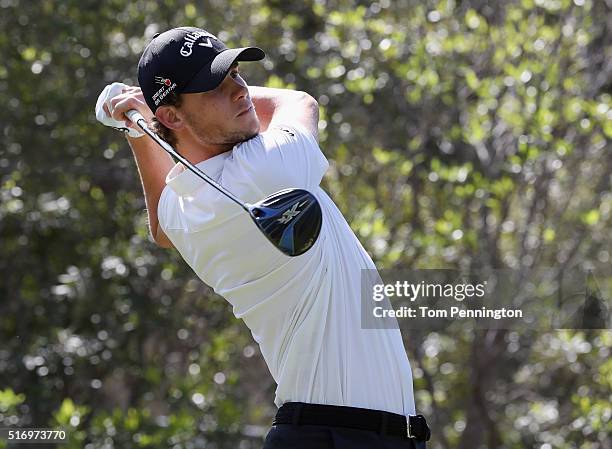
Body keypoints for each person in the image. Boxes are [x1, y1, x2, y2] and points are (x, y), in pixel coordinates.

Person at [95, 26, 430, 449]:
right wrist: (144, 116)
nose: (241, 90)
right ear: (173, 117)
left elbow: (161, 228)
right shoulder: (269, 168)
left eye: (236, 73)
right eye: (214, 85)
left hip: (333, 433)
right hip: (335, 435)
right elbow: (299, 101)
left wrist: (138, 128)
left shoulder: (186, 212)